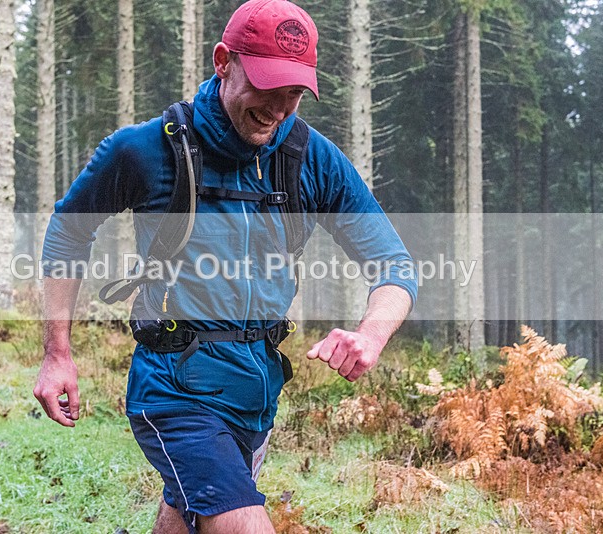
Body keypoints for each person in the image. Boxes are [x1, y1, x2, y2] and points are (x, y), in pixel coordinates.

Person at [33, 1, 417, 532]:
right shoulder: (145, 150)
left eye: (294, 92)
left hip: (257, 394)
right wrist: (57, 353)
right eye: (267, 84)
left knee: (187, 515)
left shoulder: (312, 158)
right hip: (174, 390)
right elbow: (69, 231)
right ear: (223, 61)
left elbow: (393, 264)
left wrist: (370, 335)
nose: (278, 107)